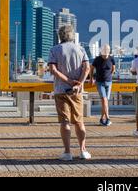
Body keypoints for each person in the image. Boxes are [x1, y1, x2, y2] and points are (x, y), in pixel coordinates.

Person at [48, 25, 91, 161]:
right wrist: (79, 83)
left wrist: (68, 81)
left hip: (60, 90)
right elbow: (87, 68)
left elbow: (53, 70)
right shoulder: (81, 49)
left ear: (60, 36)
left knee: (65, 122)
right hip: (76, 92)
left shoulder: (54, 50)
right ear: (72, 35)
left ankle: (67, 152)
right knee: (79, 121)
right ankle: (83, 150)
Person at [90, 44, 116, 126]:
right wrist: (91, 78)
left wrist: (109, 75)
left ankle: (101, 118)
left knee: (105, 102)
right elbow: (91, 69)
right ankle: (108, 118)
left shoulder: (111, 59)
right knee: (104, 100)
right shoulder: (97, 59)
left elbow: (113, 69)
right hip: (99, 82)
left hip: (109, 82)